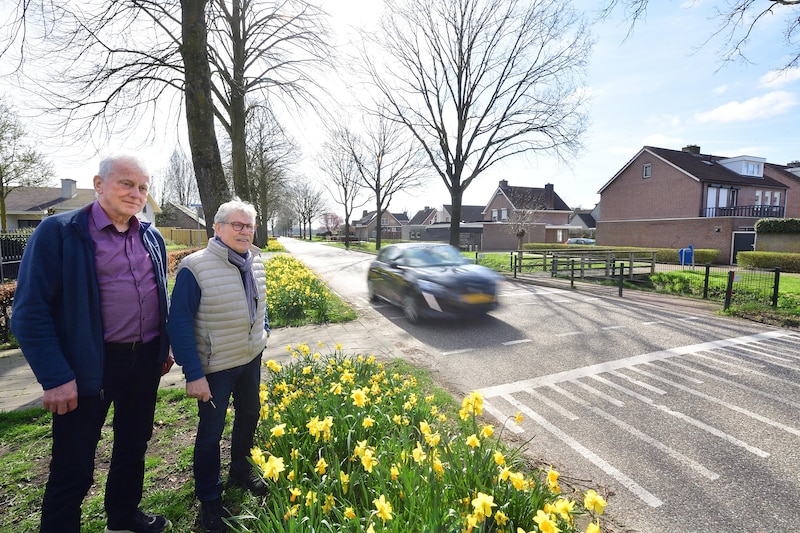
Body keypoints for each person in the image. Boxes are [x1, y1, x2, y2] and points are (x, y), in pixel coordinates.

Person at [11, 155, 173, 533]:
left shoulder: (152, 236)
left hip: (145, 362)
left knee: (134, 446)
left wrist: (163, 347)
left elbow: (158, 296)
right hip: (86, 368)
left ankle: (122, 519)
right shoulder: (60, 231)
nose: (136, 194)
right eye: (126, 184)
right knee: (74, 465)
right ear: (99, 185)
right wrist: (55, 376)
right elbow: (29, 311)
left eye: (143, 187)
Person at [167, 199, 270, 533]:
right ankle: (210, 499)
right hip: (215, 366)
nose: (244, 231)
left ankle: (240, 469)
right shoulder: (195, 267)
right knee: (210, 434)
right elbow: (179, 323)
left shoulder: (255, 259)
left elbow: (260, 302)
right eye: (236, 225)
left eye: (249, 225)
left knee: (249, 415)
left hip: (250, 358)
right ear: (218, 227)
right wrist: (193, 374)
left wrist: (264, 331)